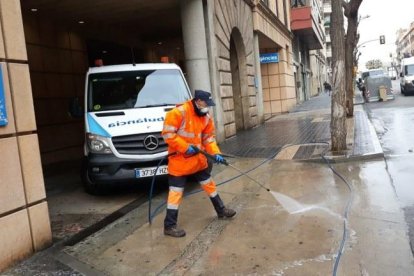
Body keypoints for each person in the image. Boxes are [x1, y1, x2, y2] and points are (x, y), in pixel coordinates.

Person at [161, 89, 236, 238]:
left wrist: (216, 153)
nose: (208, 107)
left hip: (198, 159)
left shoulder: (206, 117)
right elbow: (167, 134)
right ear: (198, 101)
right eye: (206, 104)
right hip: (179, 161)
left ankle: (221, 210)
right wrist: (185, 147)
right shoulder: (178, 112)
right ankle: (169, 226)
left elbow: (209, 139)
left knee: (209, 183)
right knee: (176, 193)